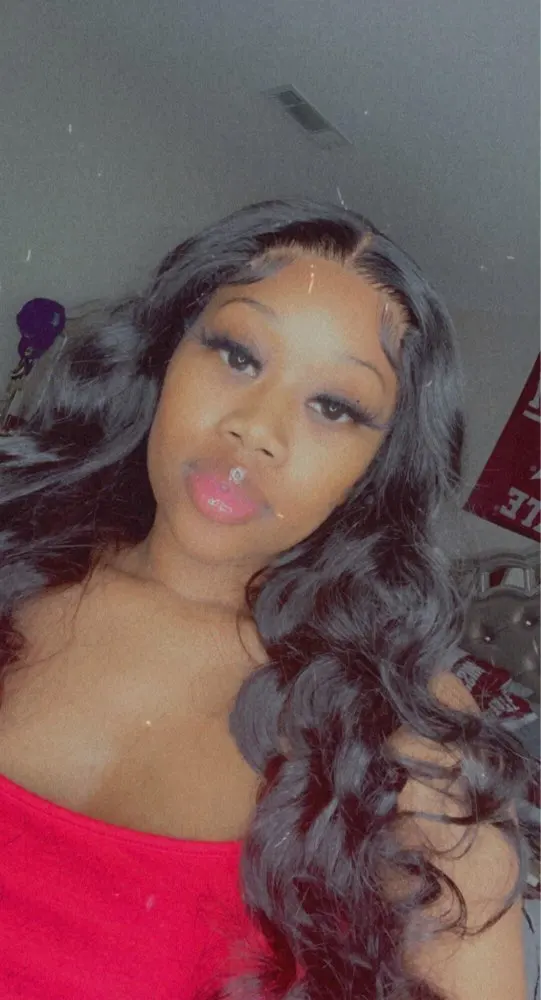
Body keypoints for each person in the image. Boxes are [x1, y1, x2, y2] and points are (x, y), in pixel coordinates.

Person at [0, 198, 534, 1000]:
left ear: (376, 468)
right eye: (238, 355)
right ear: (165, 354)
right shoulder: (16, 559)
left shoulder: (398, 728)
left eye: (333, 406)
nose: (256, 429)